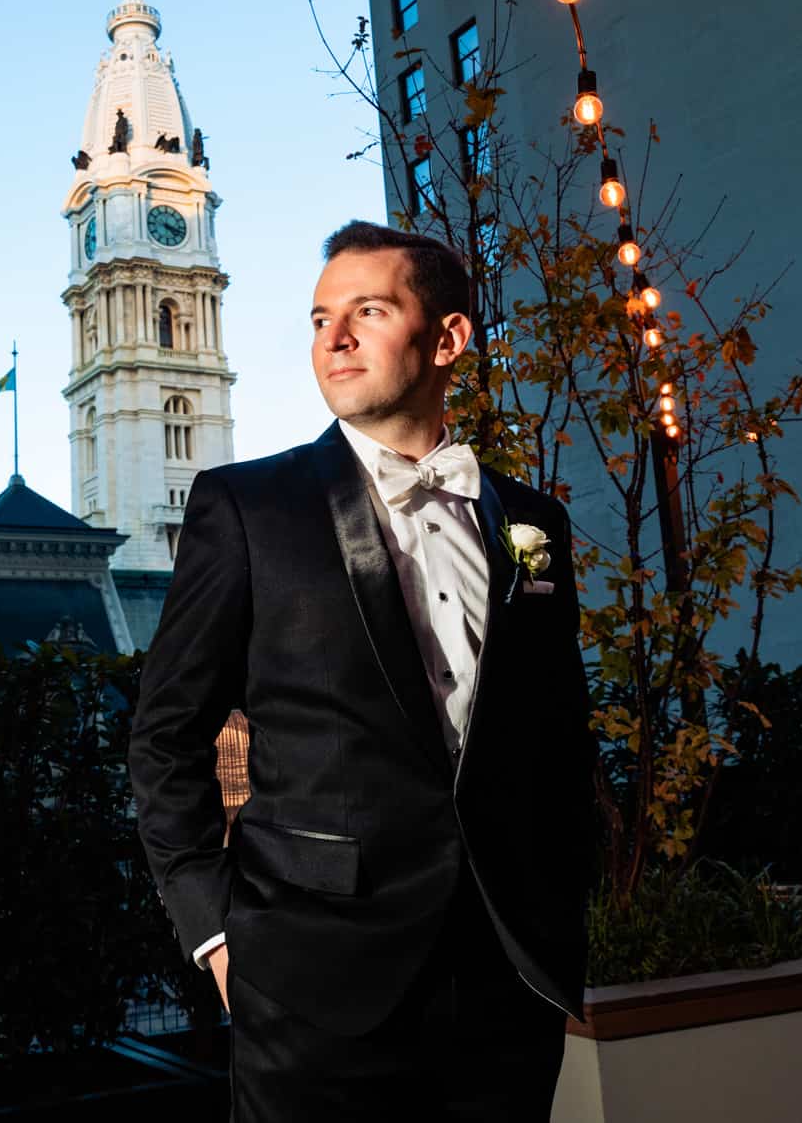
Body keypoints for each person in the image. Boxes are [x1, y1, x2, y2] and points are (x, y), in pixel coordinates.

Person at [129, 221, 595, 1119]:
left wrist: (556, 904)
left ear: (448, 338)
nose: (332, 339)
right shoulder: (247, 506)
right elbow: (164, 736)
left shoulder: (534, 524)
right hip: (310, 991)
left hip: (507, 987)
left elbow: (556, 732)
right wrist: (220, 936)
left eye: (368, 310)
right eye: (318, 317)